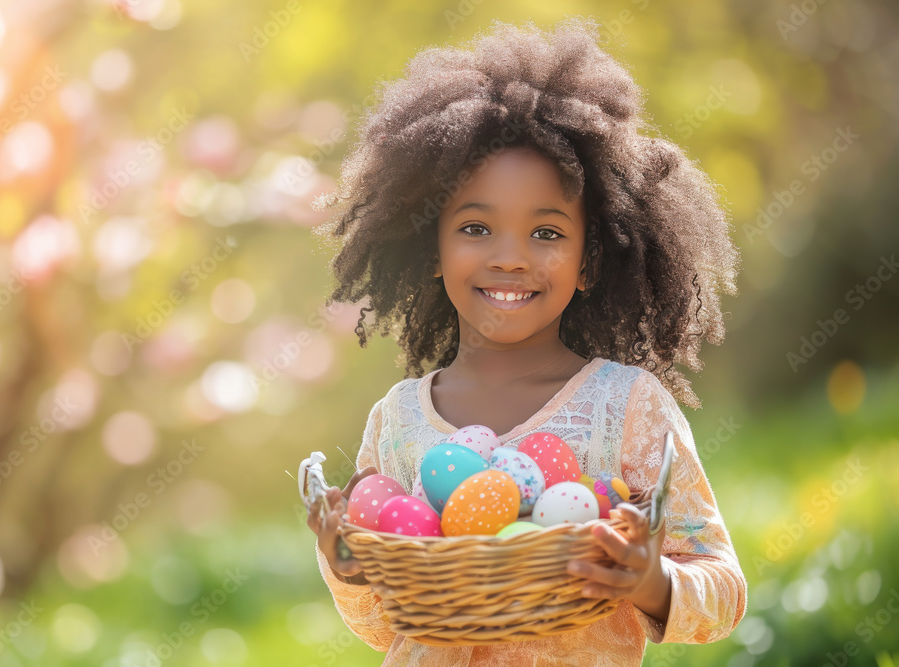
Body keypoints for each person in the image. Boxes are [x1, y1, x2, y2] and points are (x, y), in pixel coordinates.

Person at [306, 17, 746, 666]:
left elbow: (724, 588)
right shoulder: (397, 422)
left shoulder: (628, 407)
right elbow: (386, 622)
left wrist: (652, 580)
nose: (510, 259)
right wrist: (343, 561)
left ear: (590, 259)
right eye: (477, 227)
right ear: (431, 248)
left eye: (546, 233)